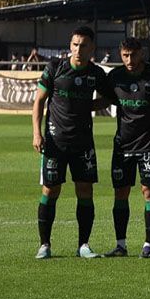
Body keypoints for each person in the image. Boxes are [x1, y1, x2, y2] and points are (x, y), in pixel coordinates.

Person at [32, 26, 114, 259]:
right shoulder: (55, 68)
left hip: (83, 142)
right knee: (50, 190)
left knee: (85, 191)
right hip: (55, 142)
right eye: (75, 44)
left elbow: (109, 97)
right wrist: (36, 134)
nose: (79, 49)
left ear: (92, 48)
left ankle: (83, 245)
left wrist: (89, 106)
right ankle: (44, 245)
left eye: (84, 45)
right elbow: (38, 102)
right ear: (70, 46)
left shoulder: (96, 74)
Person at [105, 37, 150, 258]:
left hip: (149, 144)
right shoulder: (115, 77)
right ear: (120, 54)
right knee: (121, 193)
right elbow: (103, 100)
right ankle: (120, 245)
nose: (129, 60)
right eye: (125, 55)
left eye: (133, 55)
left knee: (149, 192)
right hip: (122, 144)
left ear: (141, 53)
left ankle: (148, 245)